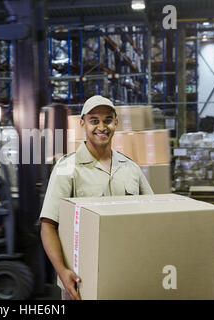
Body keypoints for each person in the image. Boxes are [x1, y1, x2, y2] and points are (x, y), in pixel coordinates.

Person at [39, 95, 153, 300]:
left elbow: (153, 214)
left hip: (127, 275)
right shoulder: (67, 168)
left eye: (108, 120)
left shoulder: (131, 168)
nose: (102, 126)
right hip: (82, 281)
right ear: (82, 123)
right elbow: (48, 225)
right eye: (94, 121)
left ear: (116, 123)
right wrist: (62, 272)